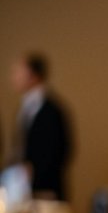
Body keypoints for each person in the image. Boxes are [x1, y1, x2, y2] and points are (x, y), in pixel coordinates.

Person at [8, 53, 73, 200]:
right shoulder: (23, 109)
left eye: (19, 72)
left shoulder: (53, 110)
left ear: (33, 75)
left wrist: (35, 172)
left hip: (46, 191)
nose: (14, 77)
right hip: (21, 189)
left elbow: (61, 150)